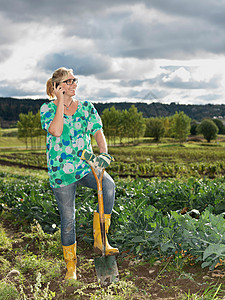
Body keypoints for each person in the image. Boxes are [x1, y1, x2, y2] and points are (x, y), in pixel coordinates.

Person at [40, 67, 119, 281]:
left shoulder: (86, 107)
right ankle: (71, 267)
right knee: (68, 220)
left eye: (75, 80)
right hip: (61, 173)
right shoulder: (47, 109)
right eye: (69, 81)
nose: (74, 84)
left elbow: (98, 133)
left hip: (85, 166)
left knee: (109, 185)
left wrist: (104, 155)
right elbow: (56, 131)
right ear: (58, 86)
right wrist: (59, 102)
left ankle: (101, 240)